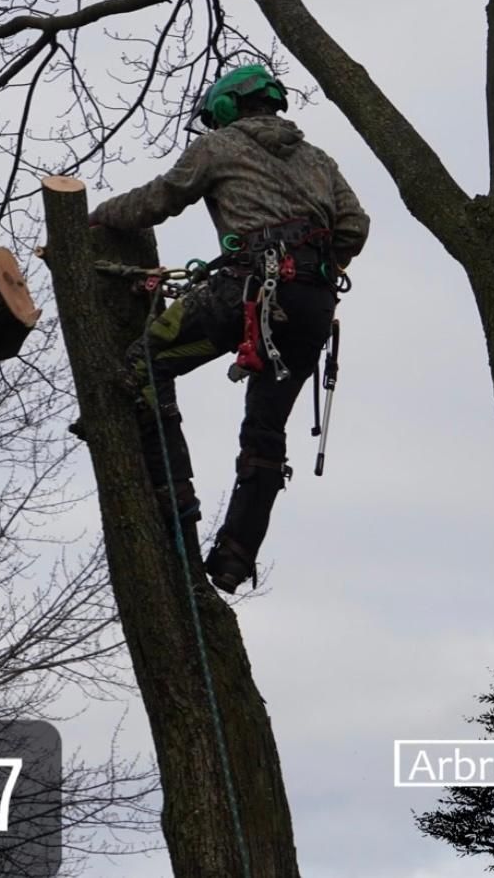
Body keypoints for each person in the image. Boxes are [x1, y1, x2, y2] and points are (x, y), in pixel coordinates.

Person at [87, 64, 370, 593]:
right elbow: (355, 225)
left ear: (224, 108)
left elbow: (160, 199)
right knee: (265, 435)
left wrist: (96, 218)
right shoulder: (318, 159)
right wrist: (319, 264)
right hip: (311, 309)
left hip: (247, 296)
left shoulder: (218, 147)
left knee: (143, 362)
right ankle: (235, 557)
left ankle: (175, 499)